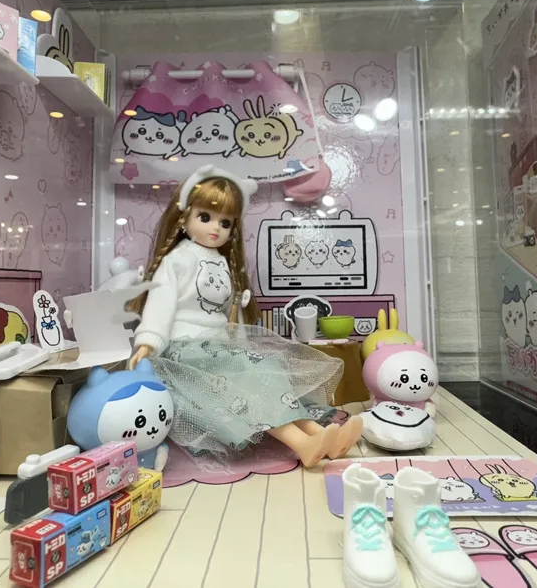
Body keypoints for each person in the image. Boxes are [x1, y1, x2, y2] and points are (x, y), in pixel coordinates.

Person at [127, 165, 363, 467]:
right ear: (184, 217)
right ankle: (302, 443)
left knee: (268, 371)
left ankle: (320, 435)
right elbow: (160, 303)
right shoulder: (177, 260)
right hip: (187, 351)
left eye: (225, 222)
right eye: (205, 217)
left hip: (217, 346)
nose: (215, 228)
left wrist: (239, 339)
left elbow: (229, 312)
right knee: (249, 387)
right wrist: (148, 342)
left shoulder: (222, 262)